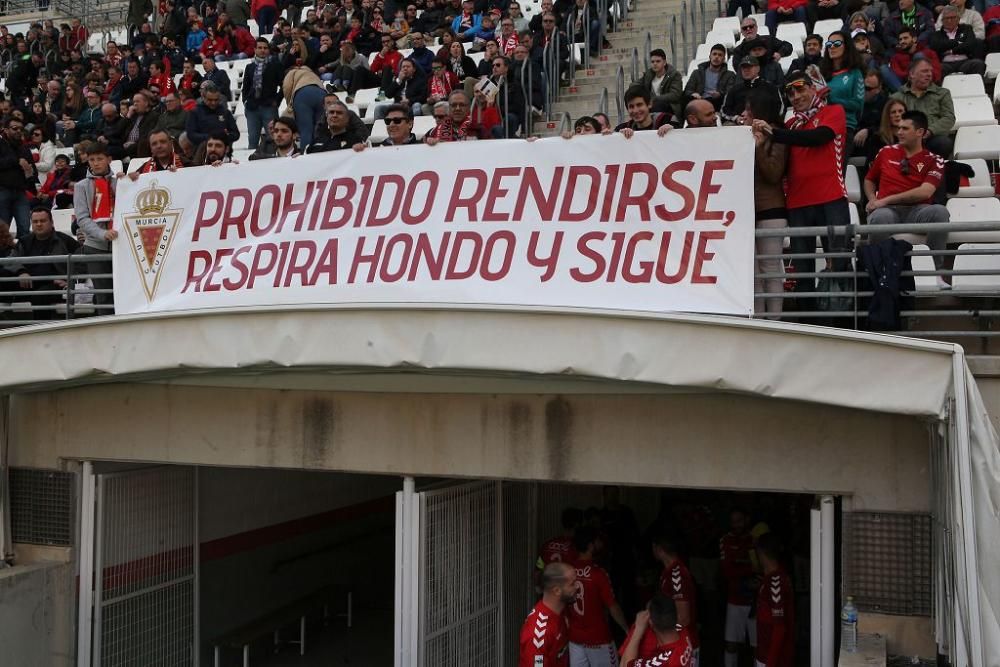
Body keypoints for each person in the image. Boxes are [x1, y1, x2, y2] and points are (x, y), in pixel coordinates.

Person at [753, 71, 850, 296]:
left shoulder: (833, 112)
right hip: (797, 203)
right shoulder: (791, 124)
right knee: (803, 271)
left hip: (831, 198)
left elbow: (818, 138)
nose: (795, 96)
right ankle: (807, 321)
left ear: (813, 88)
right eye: (790, 92)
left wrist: (775, 133)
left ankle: (842, 326)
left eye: (800, 88)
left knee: (839, 264)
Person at [864, 110, 950, 277]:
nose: (899, 132)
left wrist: (886, 199)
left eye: (905, 128)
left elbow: (925, 192)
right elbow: (869, 180)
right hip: (887, 210)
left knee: (940, 212)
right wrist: (872, 199)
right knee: (879, 218)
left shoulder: (934, 159)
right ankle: (879, 272)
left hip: (918, 210)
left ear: (920, 132)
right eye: (899, 128)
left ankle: (935, 273)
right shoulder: (885, 152)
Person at [743, 90, 787, 319]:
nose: (744, 115)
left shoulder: (778, 136)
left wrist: (760, 148)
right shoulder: (743, 135)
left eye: (749, 110)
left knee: (770, 268)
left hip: (771, 210)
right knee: (753, 272)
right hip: (747, 211)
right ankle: (758, 321)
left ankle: (775, 321)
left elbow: (773, 174)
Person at [567, 527, 628, 667]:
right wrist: (626, 628)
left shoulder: (567, 570)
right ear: (590, 546)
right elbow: (613, 606)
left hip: (575, 638)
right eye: (596, 541)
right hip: (598, 639)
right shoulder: (598, 574)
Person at [11, 206, 80, 319]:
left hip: (55, 285)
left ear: (52, 222)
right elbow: (11, 260)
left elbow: (83, 261)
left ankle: (40, 331)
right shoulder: (24, 241)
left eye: (43, 221)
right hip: (29, 283)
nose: (38, 224)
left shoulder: (65, 240)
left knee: (39, 295)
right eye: (35, 221)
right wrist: (21, 271)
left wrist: (71, 281)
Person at [74, 141, 117, 312]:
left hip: (120, 244)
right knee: (103, 293)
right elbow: (82, 218)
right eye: (92, 160)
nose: (96, 163)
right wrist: (101, 233)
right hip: (95, 246)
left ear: (109, 159)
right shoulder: (81, 186)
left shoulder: (120, 182)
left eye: (100, 158)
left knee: (122, 290)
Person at [891, 58, 956, 157]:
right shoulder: (896, 97)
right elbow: (889, 121)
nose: (929, 74)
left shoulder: (942, 93)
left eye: (930, 71)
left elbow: (949, 118)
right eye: (924, 71)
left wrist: (929, 131)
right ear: (912, 74)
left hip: (932, 138)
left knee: (944, 143)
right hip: (905, 139)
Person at [651, 536, 700, 666]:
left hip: (683, 643)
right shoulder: (669, 572)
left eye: (653, 547)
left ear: (659, 549)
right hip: (677, 643)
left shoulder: (676, 575)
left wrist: (664, 633)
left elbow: (684, 618)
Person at [719, 509, 757, 667]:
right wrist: (747, 566)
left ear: (747, 519)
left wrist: (739, 564)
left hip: (755, 601)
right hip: (734, 601)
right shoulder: (725, 540)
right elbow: (727, 571)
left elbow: (759, 567)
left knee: (758, 647)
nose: (736, 525)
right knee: (731, 645)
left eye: (739, 521)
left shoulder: (754, 539)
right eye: (733, 521)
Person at [519, 562, 576, 667]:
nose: (577, 587)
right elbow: (537, 665)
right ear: (557, 590)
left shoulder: (562, 612)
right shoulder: (539, 634)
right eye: (572, 584)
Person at [754, 534, 794, 667]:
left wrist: (770, 663)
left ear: (761, 553)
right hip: (765, 655)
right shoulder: (772, 578)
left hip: (772, 659)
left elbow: (779, 628)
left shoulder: (775, 582)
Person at [819, 30, 865, 148]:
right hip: (821, 127)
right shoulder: (822, 75)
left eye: (837, 43)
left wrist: (832, 99)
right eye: (829, 44)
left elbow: (858, 104)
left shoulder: (855, 73)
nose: (832, 47)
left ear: (847, 46)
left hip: (844, 127)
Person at [620, 596, 694, 667]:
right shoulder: (684, 632)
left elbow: (625, 664)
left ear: (651, 622)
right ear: (676, 616)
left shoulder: (665, 662)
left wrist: (638, 630)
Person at [241, 38, 283, 152]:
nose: (263, 50)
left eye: (265, 48)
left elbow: (283, 85)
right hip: (252, 108)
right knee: (253, 140)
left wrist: (277, 101)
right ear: (254, 49)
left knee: (274, 138)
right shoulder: (249, 67)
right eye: (260, 48)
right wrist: (245, 101)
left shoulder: (275, 65)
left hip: (269, 106)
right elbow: (245, 87)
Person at [0, 117, 36, 238]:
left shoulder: (24, 148)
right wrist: (16, 161)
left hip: (21, 193)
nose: (18, 131)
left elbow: (32, 170)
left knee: (25, 229)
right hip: (2, 191)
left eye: (21, 128)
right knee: (2, 231)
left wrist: (29, 172)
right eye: (15, 128)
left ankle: (22, 255)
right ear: (5, 130)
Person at [720, 56, 782, 125]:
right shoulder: (734, 89)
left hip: (765, 125)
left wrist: (763, 121)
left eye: (749, 67)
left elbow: (780, 107)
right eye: (743, 67)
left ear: (758, 68)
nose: (746, 70)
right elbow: (724, 109)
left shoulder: (771, 88)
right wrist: (736, 118)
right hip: (739, 126)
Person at [930, 6, 987, 77]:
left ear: (958, 19)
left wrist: (951, 51)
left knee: (978, 64)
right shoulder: (937, 34)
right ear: (942, 21)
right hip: (946, 63)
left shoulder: (967, 29)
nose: (949, 21)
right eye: (946, 18)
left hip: (965, 62)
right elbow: (936, 46)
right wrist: (958, 41)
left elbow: (969, 45)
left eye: (952, 18)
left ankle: (976, 87)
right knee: (937, 68)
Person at [883, 26, 942, 91]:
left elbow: (936, 73)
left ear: (914, 39)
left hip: (926, 85)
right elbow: (898, 74)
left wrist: (916, 74)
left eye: (905, 38)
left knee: (919, 56)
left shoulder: (928, 53)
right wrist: (911, 75)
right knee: (884, 69)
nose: (902, 41)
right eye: (900, 39)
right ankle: (904, 95)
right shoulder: (896, 57)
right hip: (906, 85)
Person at [184, 83, 240, 150]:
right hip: (202, 151)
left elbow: (236, 134)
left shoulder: (225, 112)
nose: (213, 103)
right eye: (210, 100)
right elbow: (191, 134)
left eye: (216, 100)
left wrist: (225, 136)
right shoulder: (195, 113)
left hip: (223, 151)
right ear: (203, 98)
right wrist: (210, 137)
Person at [282, 65, 326, 148]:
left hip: (302, 94)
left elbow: (287, 88)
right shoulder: (310, 72)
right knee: (321, 128)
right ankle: (321, 152)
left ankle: (305, 155)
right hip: (322, 94)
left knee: (306, 130)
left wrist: (290, 104)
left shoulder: (291, 73)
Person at [684, 44, 737, 110]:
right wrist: (693, 94)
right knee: (683, 97)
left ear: (723, 59)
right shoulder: (697, 73)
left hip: (716, 102)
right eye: (714, 54)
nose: (716, 57)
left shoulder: (730, 75)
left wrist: (720, 94)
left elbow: (730, 93)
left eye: (720, 55)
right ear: (710, 56)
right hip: (698, 100)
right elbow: (688, 90)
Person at [638, 49, 683, 121]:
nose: (655, 64)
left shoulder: (674, 75)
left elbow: (675, 94)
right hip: (652, 107)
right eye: (652, 62)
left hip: (670, 107)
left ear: (664, 62)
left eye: (658, 61)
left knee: (658, 105)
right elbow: (636, 84)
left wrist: (655, 99)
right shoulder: (648, 75)